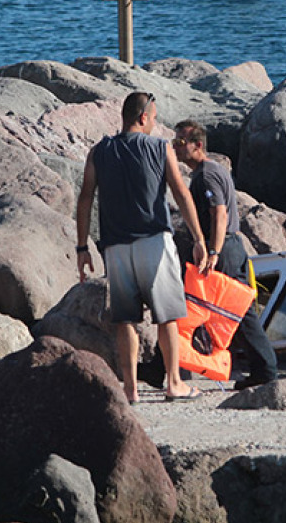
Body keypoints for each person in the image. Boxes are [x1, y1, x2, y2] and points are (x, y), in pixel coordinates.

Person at [76, 92, 208, 404]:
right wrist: (200, 239)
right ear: (143, 117)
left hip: (116, 247)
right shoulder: (160, 147)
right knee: (168, 317)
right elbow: (181, 194)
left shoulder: (98, 152)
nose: (155, 124)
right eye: (155, 118)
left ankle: (131, 389)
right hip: (154, 242)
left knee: (125, 319)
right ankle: (174, 383)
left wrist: (82, 246)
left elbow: (84, 199)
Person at [173, 119, 279, 390]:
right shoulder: (210, 171)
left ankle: (265, 371)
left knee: (235, 312)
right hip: (230, 247)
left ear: (198, 145)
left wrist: (213, 251)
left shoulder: (207, 175)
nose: (176, 147)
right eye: (175, 141)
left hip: (224, 249)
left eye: (181, 142)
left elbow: (219, 212)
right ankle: (261, 369)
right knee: (236, 311)